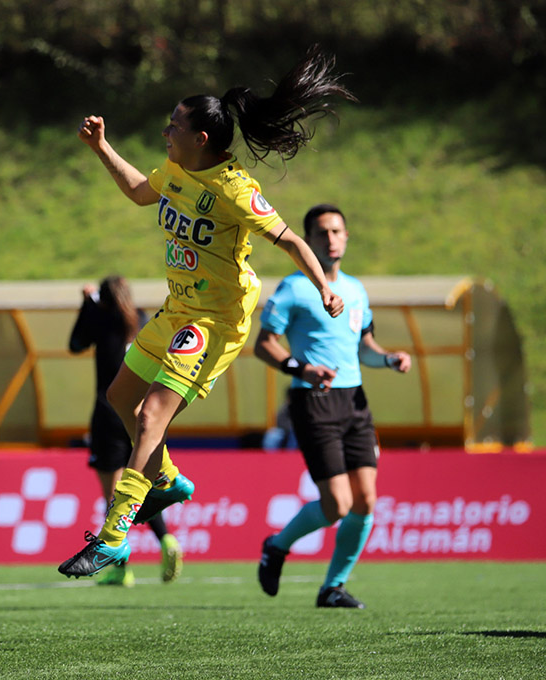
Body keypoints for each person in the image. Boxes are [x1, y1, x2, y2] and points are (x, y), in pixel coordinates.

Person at [59, 47, 352, 578]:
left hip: (215, 321)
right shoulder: (175, 169)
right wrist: (102, 146)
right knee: (119, 396)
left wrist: (326, 286)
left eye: (174, 125)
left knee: (151, 414)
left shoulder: (237, 190)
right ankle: (166, 480)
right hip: (178, 309)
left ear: (202, 139)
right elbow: (137, 191)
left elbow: (288, 240)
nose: (165, 132)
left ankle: (112, 538)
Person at [254, 203, 411, 608]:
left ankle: (333, 587)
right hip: (313, 402)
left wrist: (389, 358)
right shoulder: (293, 288)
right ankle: (276, 545)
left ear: (346, 237)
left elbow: (366, 349)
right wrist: (301, 368)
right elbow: (264, 345)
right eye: (322, 233)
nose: (331, 239)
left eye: (338, 231)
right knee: (337, 504)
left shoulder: (356, 290)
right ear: (307, 241)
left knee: (366, 501)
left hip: (355, 401)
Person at [69, 276, 183, 586]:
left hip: (108, 413)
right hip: (139, 413)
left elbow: (75, 344)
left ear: (103, 300)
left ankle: (121, 568)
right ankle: (167, 540)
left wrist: (86, 304)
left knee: (115, 494)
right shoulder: (144, 318)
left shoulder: (102, 318)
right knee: (141, 485)